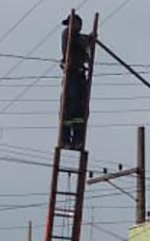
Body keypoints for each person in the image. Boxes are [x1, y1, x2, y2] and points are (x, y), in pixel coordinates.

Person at [60, 13, 93, 150]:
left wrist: (90, 40)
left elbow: (85, 49)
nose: (71, 26)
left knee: (80, 109)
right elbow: (79, 40)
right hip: (71, 75)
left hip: (79, 75)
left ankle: (78, 140)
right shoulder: (67, 35)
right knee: (70, 106)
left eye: (73, 23)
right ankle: (65, 139)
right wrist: (89, 40)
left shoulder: (79, 38)